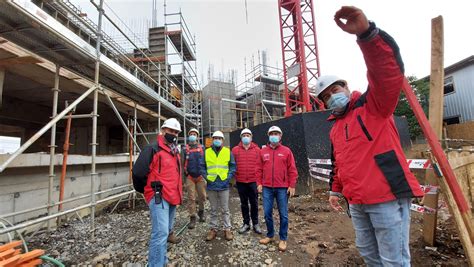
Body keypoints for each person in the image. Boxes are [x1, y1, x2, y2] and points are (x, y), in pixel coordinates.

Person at [316, 6, 424, 266]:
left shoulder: (374, 105)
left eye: (336, 88)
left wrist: (367, 35)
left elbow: (386, 74)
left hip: (386, 197)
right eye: (326, 96)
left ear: (347, 86)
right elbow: (339, 165)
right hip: (357, 203)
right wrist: (335, 191)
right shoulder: (335, 128)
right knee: (369, 255)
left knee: (393, 260)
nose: (332, 96)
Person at [132, 118, 183, 267]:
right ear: (163, 130)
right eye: (170, 131)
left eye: (175, 132)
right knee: (160, 234)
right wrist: (146, 191)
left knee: (165, 232)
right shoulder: (152, 149)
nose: (173, 134)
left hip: (172, 195)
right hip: (158, 196)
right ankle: (155, 264)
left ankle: (162, 261)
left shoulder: (175, 152)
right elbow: (138, 172)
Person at [257, 126, 298, 252]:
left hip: (282, 188)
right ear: (268, 135)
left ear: (280, 136)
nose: (274, 135)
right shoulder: (262, 151)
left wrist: (292, 185)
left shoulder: (286, 151)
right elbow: (258, 169)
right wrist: (259, 183)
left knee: (283, 215)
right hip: (267, 188)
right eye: (272, 133)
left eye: (276, 133)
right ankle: (270, 235)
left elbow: (292, 169)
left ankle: (283, 238)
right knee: (267, 213)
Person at [202, 130, 236, 241]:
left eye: (219, 138)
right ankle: (213, 229)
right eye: (215, 138)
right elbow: (202, 166)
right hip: (211, 184)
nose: (217, 140)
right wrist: (206, 177)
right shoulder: (207, 152)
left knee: (225, 209)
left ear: (222, 140)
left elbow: (232, 166)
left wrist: (227, 178)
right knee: (213, 209)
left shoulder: (227, 151)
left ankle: (227, 229)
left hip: (223, 184)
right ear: (212, 140)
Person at [232, 128, 262, 234]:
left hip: (253, 181)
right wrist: (235, 177)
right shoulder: (235, 150)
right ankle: (246, 224)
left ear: (251, 137)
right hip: (241, 182)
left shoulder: (257, 150)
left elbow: (260, 166)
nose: (246, 137)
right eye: (244, 135)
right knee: (243, 203)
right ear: (241, 137)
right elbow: (232, 165)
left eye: (247, 135)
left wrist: (260, 182)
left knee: (254, 203)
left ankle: (255, 224)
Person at [183, 128, 207, 229]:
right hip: (190, 177)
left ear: (197, 136)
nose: (193, 135)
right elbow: (182, 163)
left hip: (201, 176)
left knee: (202, 196)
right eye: (191, 134)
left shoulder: (202, 147)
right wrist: (183, 179)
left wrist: (206, 175)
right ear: (189, 136)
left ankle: (201, 213)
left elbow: (206, 161)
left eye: (194, 134)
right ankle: (192, 218)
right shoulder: (185, 149)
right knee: (191, 198)